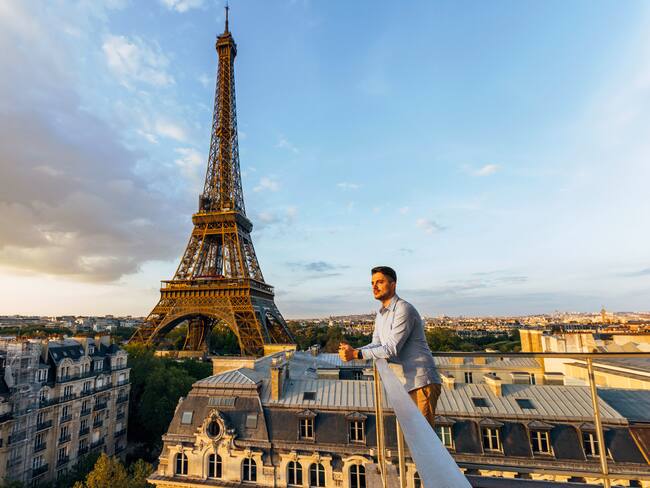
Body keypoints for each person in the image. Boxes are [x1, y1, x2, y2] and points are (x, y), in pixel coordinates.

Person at [339, 266, 441, 427]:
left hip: (421, 382)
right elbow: (377, 344)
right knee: (415, 436)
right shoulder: (381, 314)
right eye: (372, 283)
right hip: (406, 382)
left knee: (423, 439)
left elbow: (391, 349)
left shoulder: (403, 309)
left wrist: (356, 355)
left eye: (379, 282)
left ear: (393, 284)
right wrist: (353, 350)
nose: (374, 286)